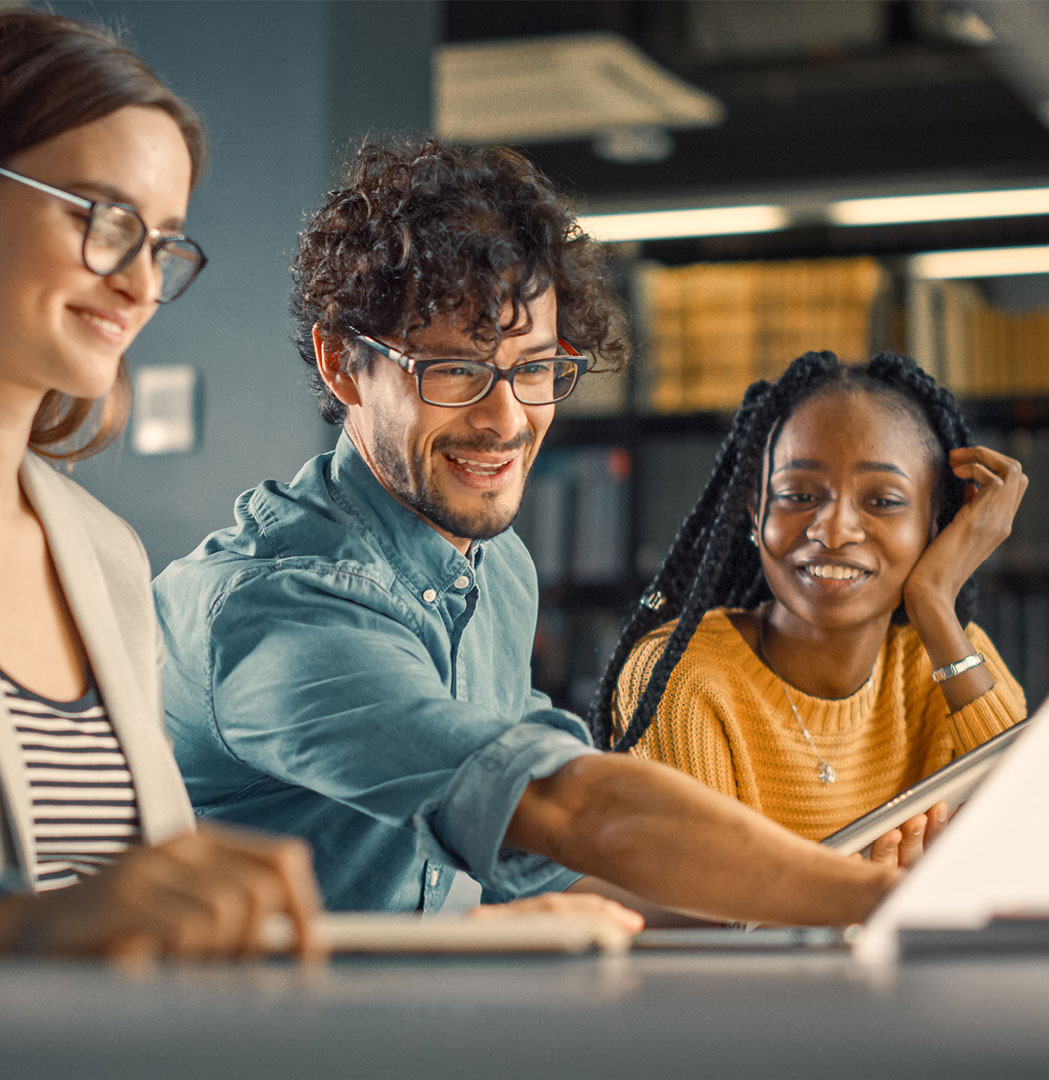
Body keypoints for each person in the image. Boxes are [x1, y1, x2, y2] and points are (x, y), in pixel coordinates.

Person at [155, 137, 900, 928]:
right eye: (453, 371)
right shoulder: (280, 604)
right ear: (343, 365)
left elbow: (557, 869)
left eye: (534, 369)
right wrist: (876, 901)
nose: (506, 421)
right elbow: (561, 808)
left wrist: (808, 891)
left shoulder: (495, 566)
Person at [0, 9, 332, 961]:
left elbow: (161, 914)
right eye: (104, 218)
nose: (140, 284)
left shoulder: (105, 555)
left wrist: (475, 936)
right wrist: (27, 929)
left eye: (161, 243)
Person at [588, 350, 1027, 865]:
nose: (833, 530)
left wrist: (933, 599)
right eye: (798, 494)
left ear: (937, 521)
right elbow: (710, 908)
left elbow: (1036, 833)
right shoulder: (683, 679)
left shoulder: (950, 655)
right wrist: (867, 894)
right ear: (755, 512)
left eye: (883, 501)